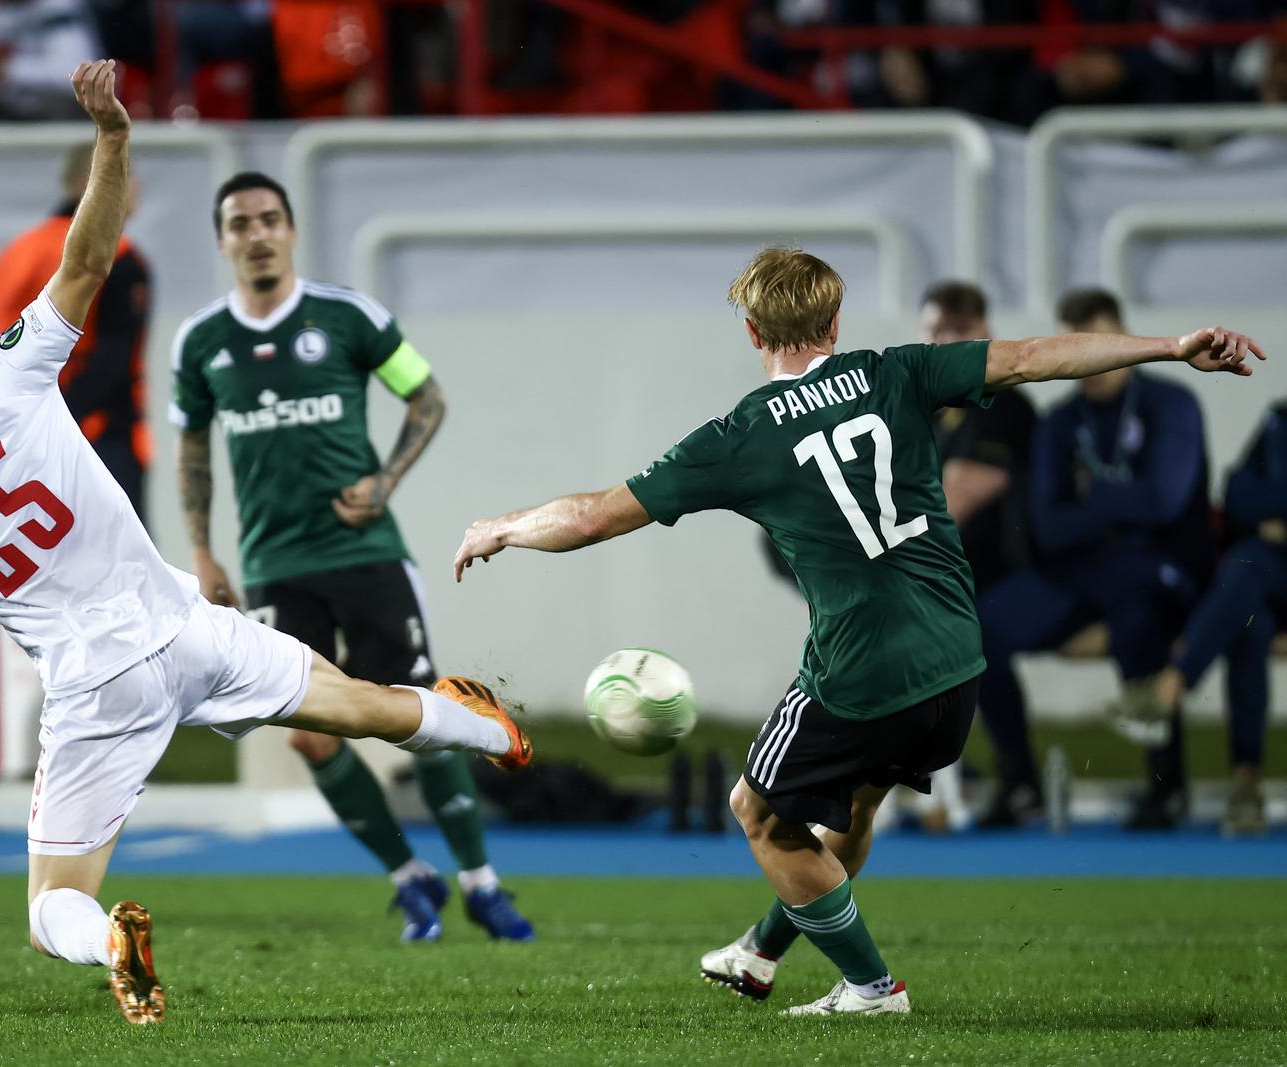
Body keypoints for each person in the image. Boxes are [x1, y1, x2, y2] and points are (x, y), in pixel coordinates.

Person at [0, 62, 531, 1028]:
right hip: (190, 628)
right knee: (359, 706)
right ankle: (488, 729)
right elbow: (88, 263)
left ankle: (112, 940)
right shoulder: (2, 376)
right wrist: (111, 137)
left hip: (94, 682)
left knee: (51, 901)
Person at [451, 247, 1262, 1015]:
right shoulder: (898, 370)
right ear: (835, 325)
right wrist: (1169, 344)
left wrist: (503, 525)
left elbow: (594, 517)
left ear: (753, 332)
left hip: (863, 667)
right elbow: (1029, 356)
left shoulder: (742, 434)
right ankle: (763, 951)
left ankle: (872, 988)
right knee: (852, 810)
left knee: (760, 813)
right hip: (957, 658)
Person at [170, 171, 535, 944]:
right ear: (222, 240)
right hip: (272, 561)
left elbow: (426, 395)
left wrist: (386, 479)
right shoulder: (201, 342)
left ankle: (481, 881)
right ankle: (412, 878)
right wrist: (202, 551)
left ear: (291, 229)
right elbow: (193, 449)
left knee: (421, 711)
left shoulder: (347, 317)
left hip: (365, 553)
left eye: (269, 219)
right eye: (240, 223)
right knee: (307, 730)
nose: (257, 233)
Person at [976, 289, 1215, 831]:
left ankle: (1166, 787)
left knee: (1138, 624)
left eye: (1097, 340)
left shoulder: (1172, 403)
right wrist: (1119, 505)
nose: (1090, 361)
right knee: (979, 630)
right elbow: (1049, 524)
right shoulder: (1061, 421)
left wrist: (1093, 499)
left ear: (1120, 338)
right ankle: (1020, 782)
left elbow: (1166, 501)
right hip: (1082, 572)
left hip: (1161, 570)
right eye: (1074, 344)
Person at [1112, 400, 1287, 835]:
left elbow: (1262, 502)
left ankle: (1171, 685)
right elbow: (1240, 497)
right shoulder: (1279, 420)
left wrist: (1276, 513)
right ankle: (1246, 784)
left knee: (1246, 567)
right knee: (1251, 619)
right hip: (1270, 575)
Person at [914, 281, 1037, 831]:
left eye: (955, 331)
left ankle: (1019, 779)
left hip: (1006, 574)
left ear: (983, 331)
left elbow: (957, 494)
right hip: (946, 577)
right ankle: (914, 784)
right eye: (934, 331)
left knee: (977, 636)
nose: (942, 342)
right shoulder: (932, 409)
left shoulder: (1001, 400)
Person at [0, 141, 151, 517]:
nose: (137, 187)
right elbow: (113, 360)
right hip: (100, 435)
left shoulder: (14, 254)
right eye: (127, 176)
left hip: (23, 437)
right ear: (90, 184)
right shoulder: (120, 258)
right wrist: (64, 419)